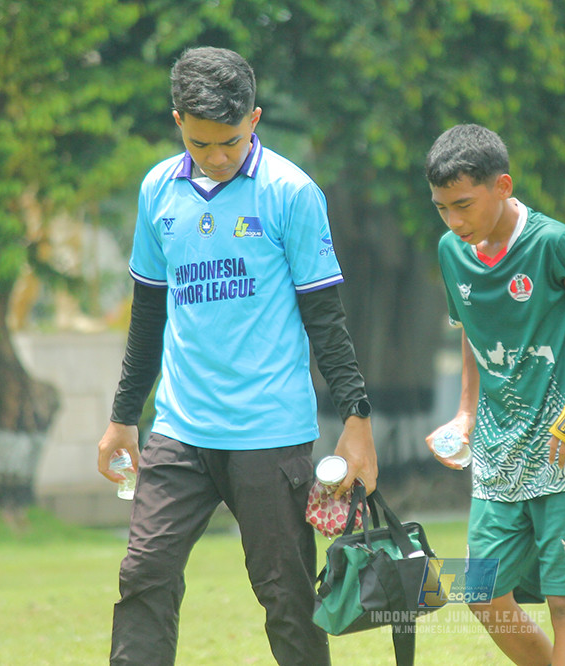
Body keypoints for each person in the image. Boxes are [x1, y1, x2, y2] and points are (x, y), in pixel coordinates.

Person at [96, 46, 377, 666]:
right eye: (201, 144)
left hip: (269, 434)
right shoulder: (157, 192)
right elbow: (148, 315)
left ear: (255, 118)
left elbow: (326, 319)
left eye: (230, 140)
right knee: (144, 574)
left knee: (287, 599)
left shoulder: (292, 193)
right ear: (178, 124)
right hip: (179, 430)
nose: (217, 157)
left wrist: (357, 420)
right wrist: (123, 416)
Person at [424, 124, 565, 665]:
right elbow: (471, 331)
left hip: (564, 446)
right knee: (481, 594)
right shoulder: (452, 251)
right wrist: (466, 413)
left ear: (502, 186)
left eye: (463, 205)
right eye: (441, 208)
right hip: (498, 456)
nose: (454, 221)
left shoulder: (555, 242)